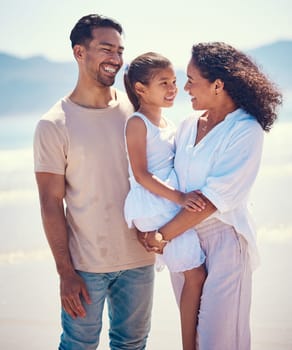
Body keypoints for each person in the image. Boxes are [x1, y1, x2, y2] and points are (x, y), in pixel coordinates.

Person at [140, 42, 282, 350]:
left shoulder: (246, 129)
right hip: (184, 243)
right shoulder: (189, 125)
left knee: (220, 341)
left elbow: (211, 199)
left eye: (191, 79)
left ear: (218, 84)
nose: (185, 87)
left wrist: (161, 236)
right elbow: (165, 174)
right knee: (192, 341)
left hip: (223, 241)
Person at [33, 14, 155, 350]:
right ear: (79, 52)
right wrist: (65, 273)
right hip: (85, 266)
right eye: (106, 49)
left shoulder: (138, 110)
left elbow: (162, 171)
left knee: (133, 344)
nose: (116, 59)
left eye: (119, 50)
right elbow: (49, 204)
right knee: (78, 345)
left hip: (140, 258)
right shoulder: (54, 124)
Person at [123, 52, 207, 350]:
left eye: (174, 81)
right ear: (140, 89)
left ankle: (193, 340)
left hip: (165, 201)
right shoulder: (137, 123)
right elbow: (141, 174)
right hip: (153, 203)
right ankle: (189, 345)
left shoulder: (169, 123)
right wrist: (181, 197)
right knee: (195, 275)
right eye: (163, 83)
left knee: (194, 275)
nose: (173, 88)